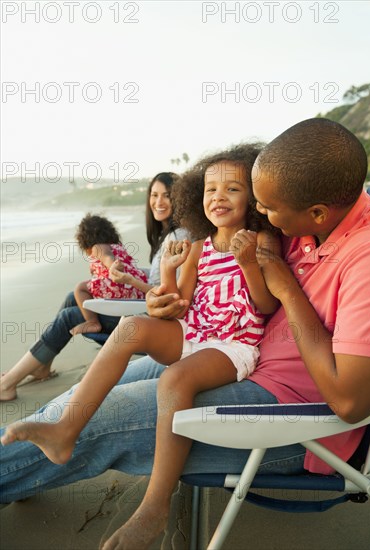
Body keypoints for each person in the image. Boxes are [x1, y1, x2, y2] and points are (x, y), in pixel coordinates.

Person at [1, 119, 370, 550]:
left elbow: (350, 402)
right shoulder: (307, 221)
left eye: (268, 209)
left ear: (317, 213)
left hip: (293, 418)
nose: (262, 216)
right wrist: (164, 302)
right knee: (84, 394)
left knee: (107, 415)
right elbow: (215, 287)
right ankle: (34, 459)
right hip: (228, 355)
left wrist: (286, 288)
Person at [1, 143, 280, 536]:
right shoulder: (198, 248)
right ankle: (66, 428)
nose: (218, 197)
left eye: (232, 189)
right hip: (194, 330)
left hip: (234, 344)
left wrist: (249, 262)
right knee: (131, 327)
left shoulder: (262, 241)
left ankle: (155, 504)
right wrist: (167, 270)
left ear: (254, 196)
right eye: (210, 189)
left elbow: (267, 306)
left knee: (175, 379)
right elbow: (179, 305)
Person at [0, 172, 186, 402]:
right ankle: (42, 366)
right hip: (147, 305)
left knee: (71, 316)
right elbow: (161, 276)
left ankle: (7, 384)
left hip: (155, 318)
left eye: (167, 196)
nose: (159, 202)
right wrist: (136, 275)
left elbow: (169, 294)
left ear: (180, 198)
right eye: (154, 195)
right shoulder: (167, 236)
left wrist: (129, 279)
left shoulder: (178, 237)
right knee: (73, 297)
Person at [69, 213, 149, 336]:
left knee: (80, 288)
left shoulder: (97, 247)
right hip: (136, 291)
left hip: (118, 286)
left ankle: (92, 322)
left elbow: (107, 257)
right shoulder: (118, 247)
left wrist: (113, 266)